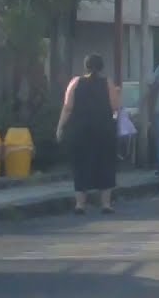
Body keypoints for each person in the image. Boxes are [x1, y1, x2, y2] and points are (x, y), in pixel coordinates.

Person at [56, 54, 119, 215]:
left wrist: (60, 127)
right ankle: (105, 204)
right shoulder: (108, 83)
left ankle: (80, 204)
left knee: (80, 164)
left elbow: (67, 107)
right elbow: (115, 107)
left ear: (85, 66)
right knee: (105, 164)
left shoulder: (75, 82)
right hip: (103, 130)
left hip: (80, 130)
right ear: (102, 67)